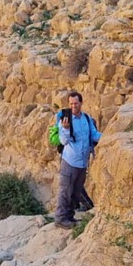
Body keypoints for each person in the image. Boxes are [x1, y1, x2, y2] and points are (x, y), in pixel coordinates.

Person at [55, 91, 101, 229]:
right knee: (65, 190)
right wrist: (65, 129)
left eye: (76, 103)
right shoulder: (65, 119)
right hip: (70, 160)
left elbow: (94, 135)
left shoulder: (86, 118)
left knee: (76, 191)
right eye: (71, 104)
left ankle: (69, 216)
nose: (73, 106)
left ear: (81, 103)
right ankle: (60, 218)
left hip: (82, 162)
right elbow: (63, 141)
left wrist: (109, 138)